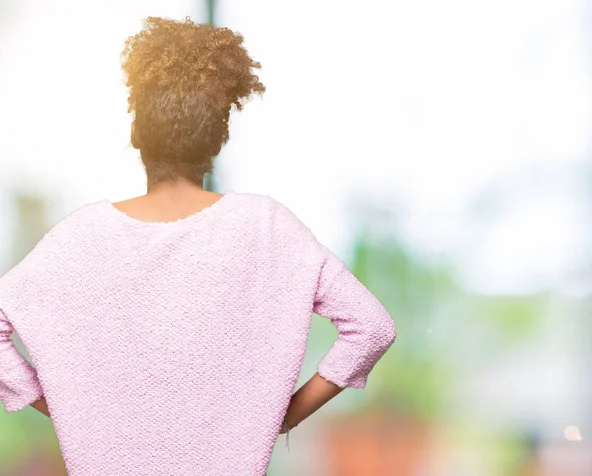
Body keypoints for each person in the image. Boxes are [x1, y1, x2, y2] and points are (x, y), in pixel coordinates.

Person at [0, 16, 397, 476]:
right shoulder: (266, 227)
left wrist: (70, 412)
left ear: (135, 133)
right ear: (219, 137)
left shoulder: (79, 238)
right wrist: (283, 416)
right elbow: (372, 328)